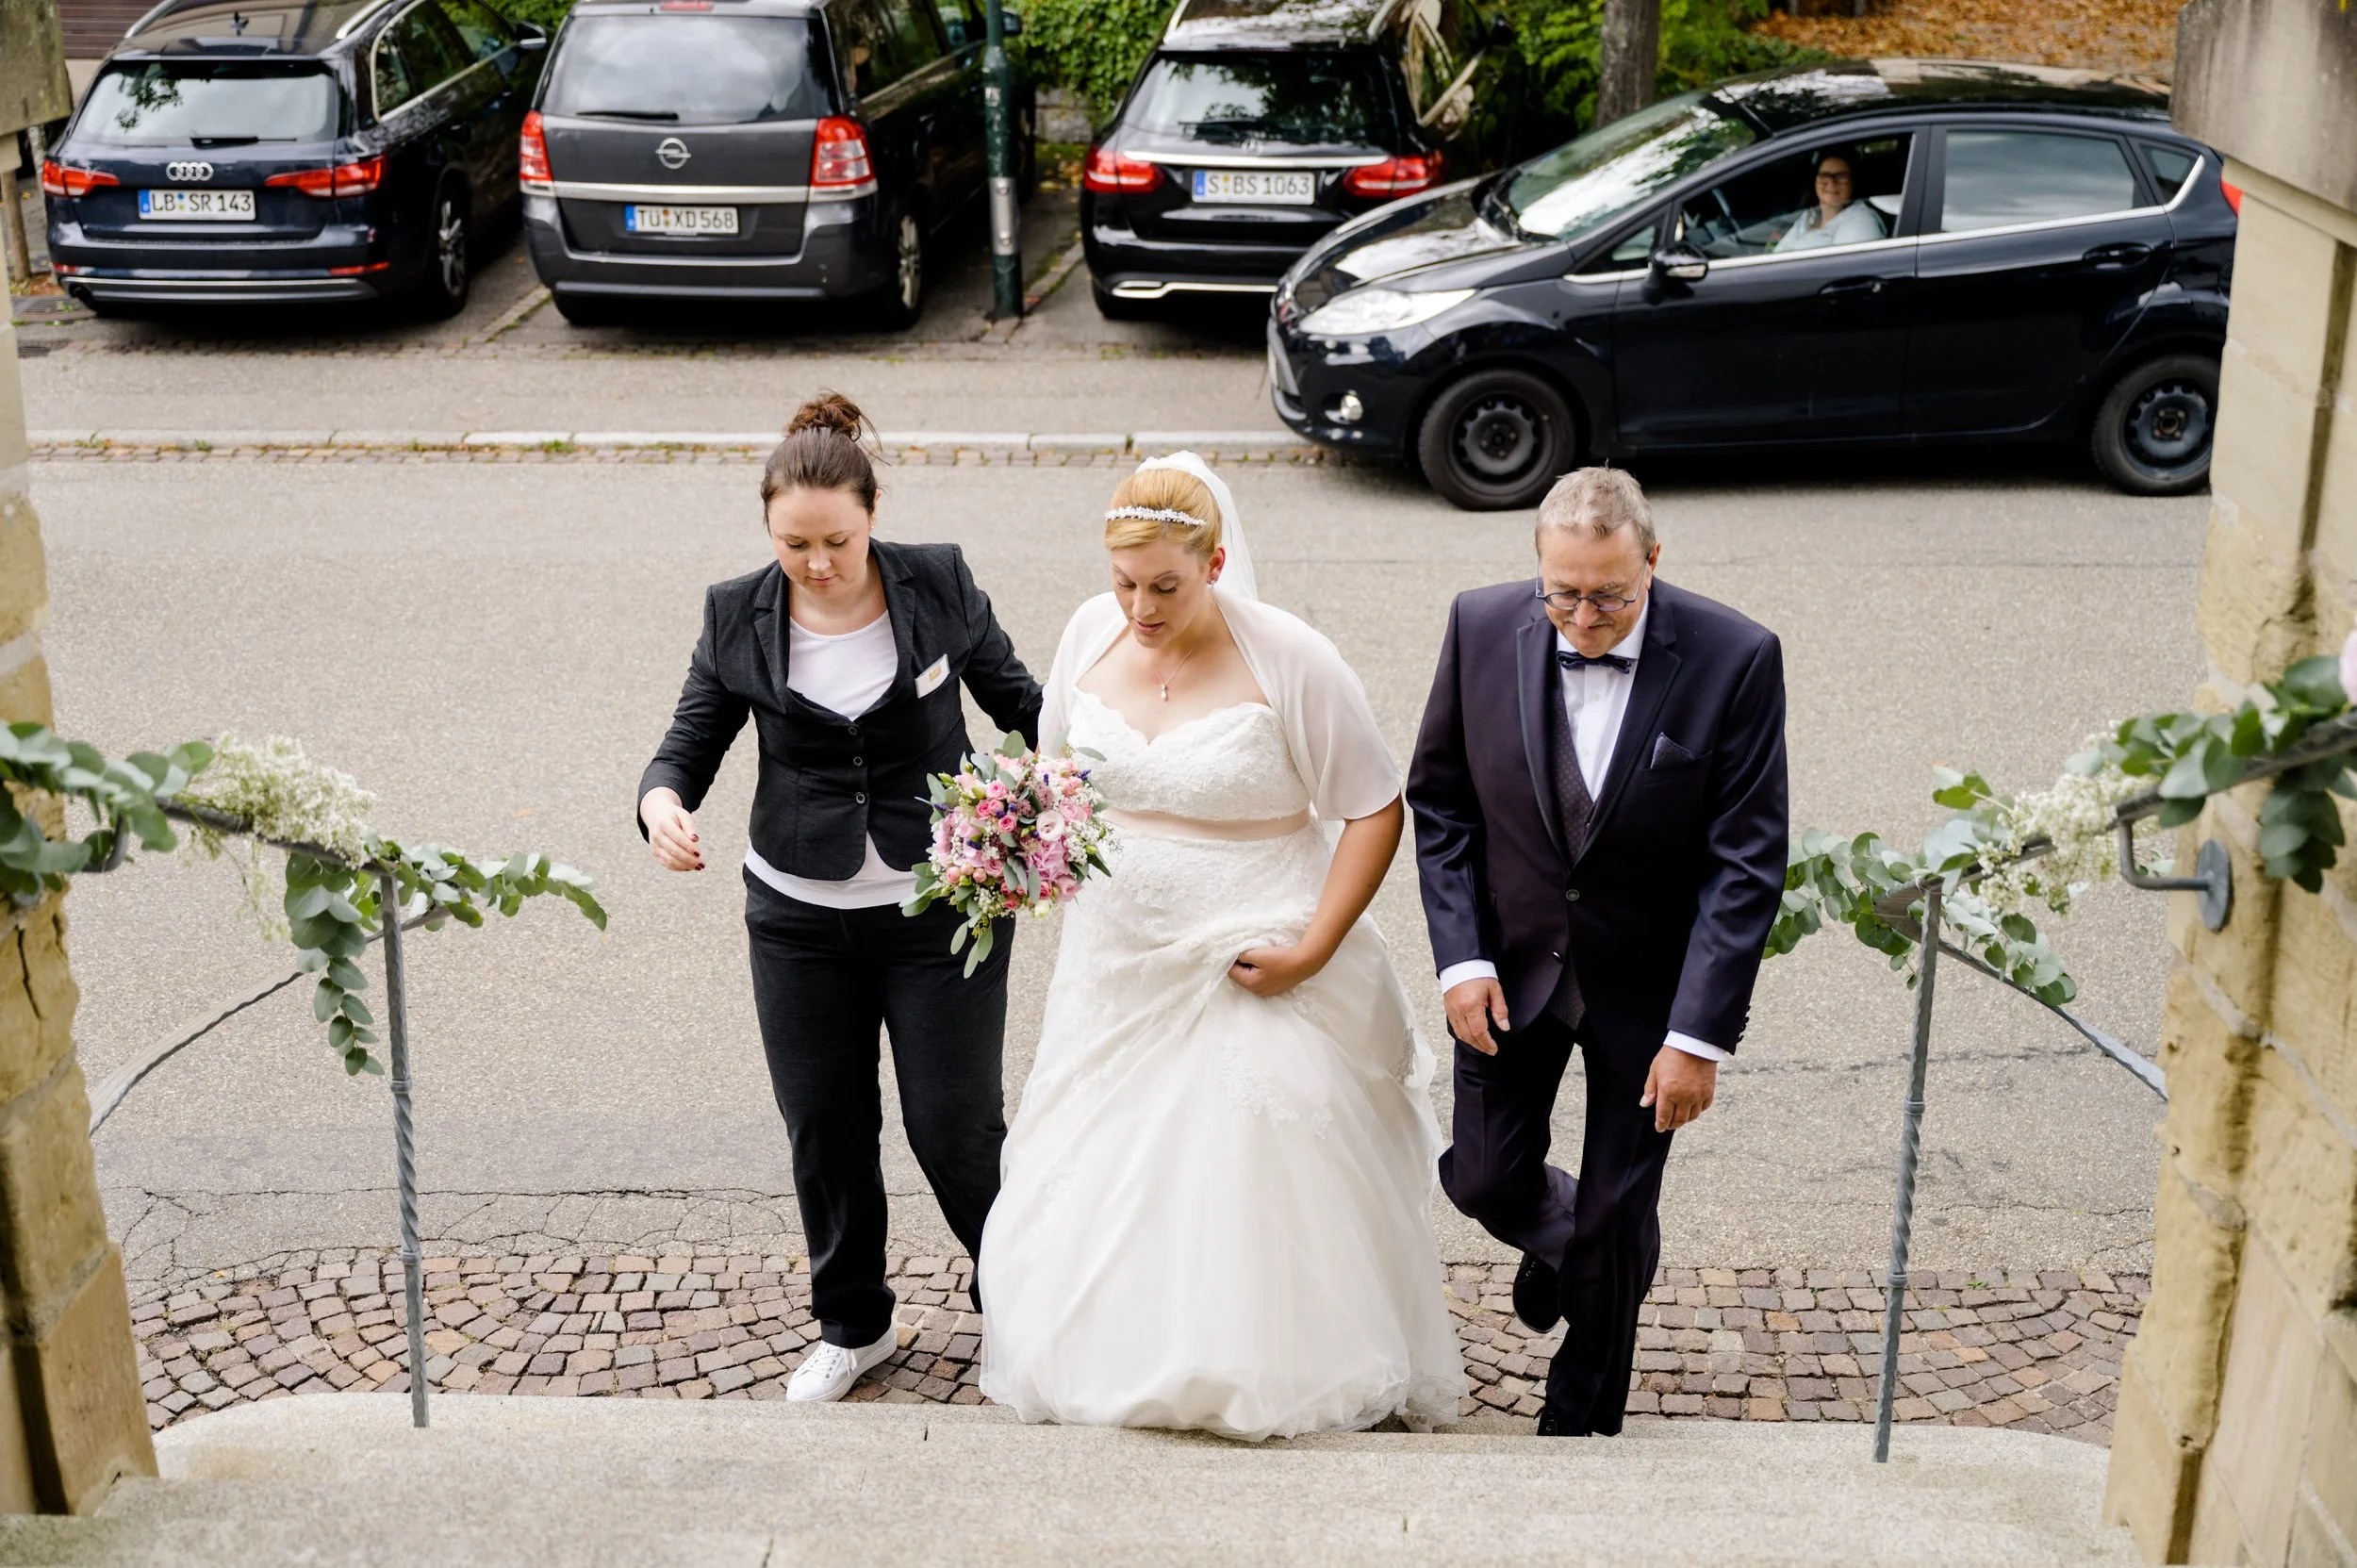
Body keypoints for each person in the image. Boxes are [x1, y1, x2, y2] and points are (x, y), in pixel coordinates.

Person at [980, 454, 1464, 1440]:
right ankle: (1120, 1354)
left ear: (1214, 561)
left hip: (1256, 954)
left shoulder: (1290, 656)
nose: (1140, 607)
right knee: (1106, 1166)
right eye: (1124, 583)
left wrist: (1313, 949)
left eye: (1164, 584)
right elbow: (1058, 775)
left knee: (1239, 1165)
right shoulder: (1086, 632)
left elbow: (1374, 808)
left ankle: (1254, 1364)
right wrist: (1009, 840)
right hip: (1115, 965)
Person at [636, 392, 1043, 1404]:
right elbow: (692, 736)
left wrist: (1074, 789)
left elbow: (1024, 704)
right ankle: (853, 1321)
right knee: (825, 1122)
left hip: (938, 903)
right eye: (794, 544)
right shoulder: (737, 610)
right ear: (768, 529)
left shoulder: (937, 581)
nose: (817, 563)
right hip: (796, 914)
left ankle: (1027, 1309)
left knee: (955, 1126)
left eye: (837, 541)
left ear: (873, 512)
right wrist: (660, 804)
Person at [1405, 467, 1788, 1437]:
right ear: (1537, 568)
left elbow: (1744, 866)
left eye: (1609, 595)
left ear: (1652, 563)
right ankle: (1582, 1253)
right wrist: (1459, 958)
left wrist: (1698, 1035)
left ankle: (1580, 1427)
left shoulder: (1735, 657)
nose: (1583, 617)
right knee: (1485, 1179)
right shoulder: (1479, 626)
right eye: (1563, 592)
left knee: (1620, 1214)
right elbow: (1442, 803)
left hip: (1650, 994)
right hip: (1505, 971)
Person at [1773, 147, 1885, 252]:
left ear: (1853, 182)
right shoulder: (1810, 215)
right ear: (1815, 180)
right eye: (1824, 175)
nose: (1831, 183)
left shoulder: (1860, 220)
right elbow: (1778, 253)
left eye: (1841, 176)